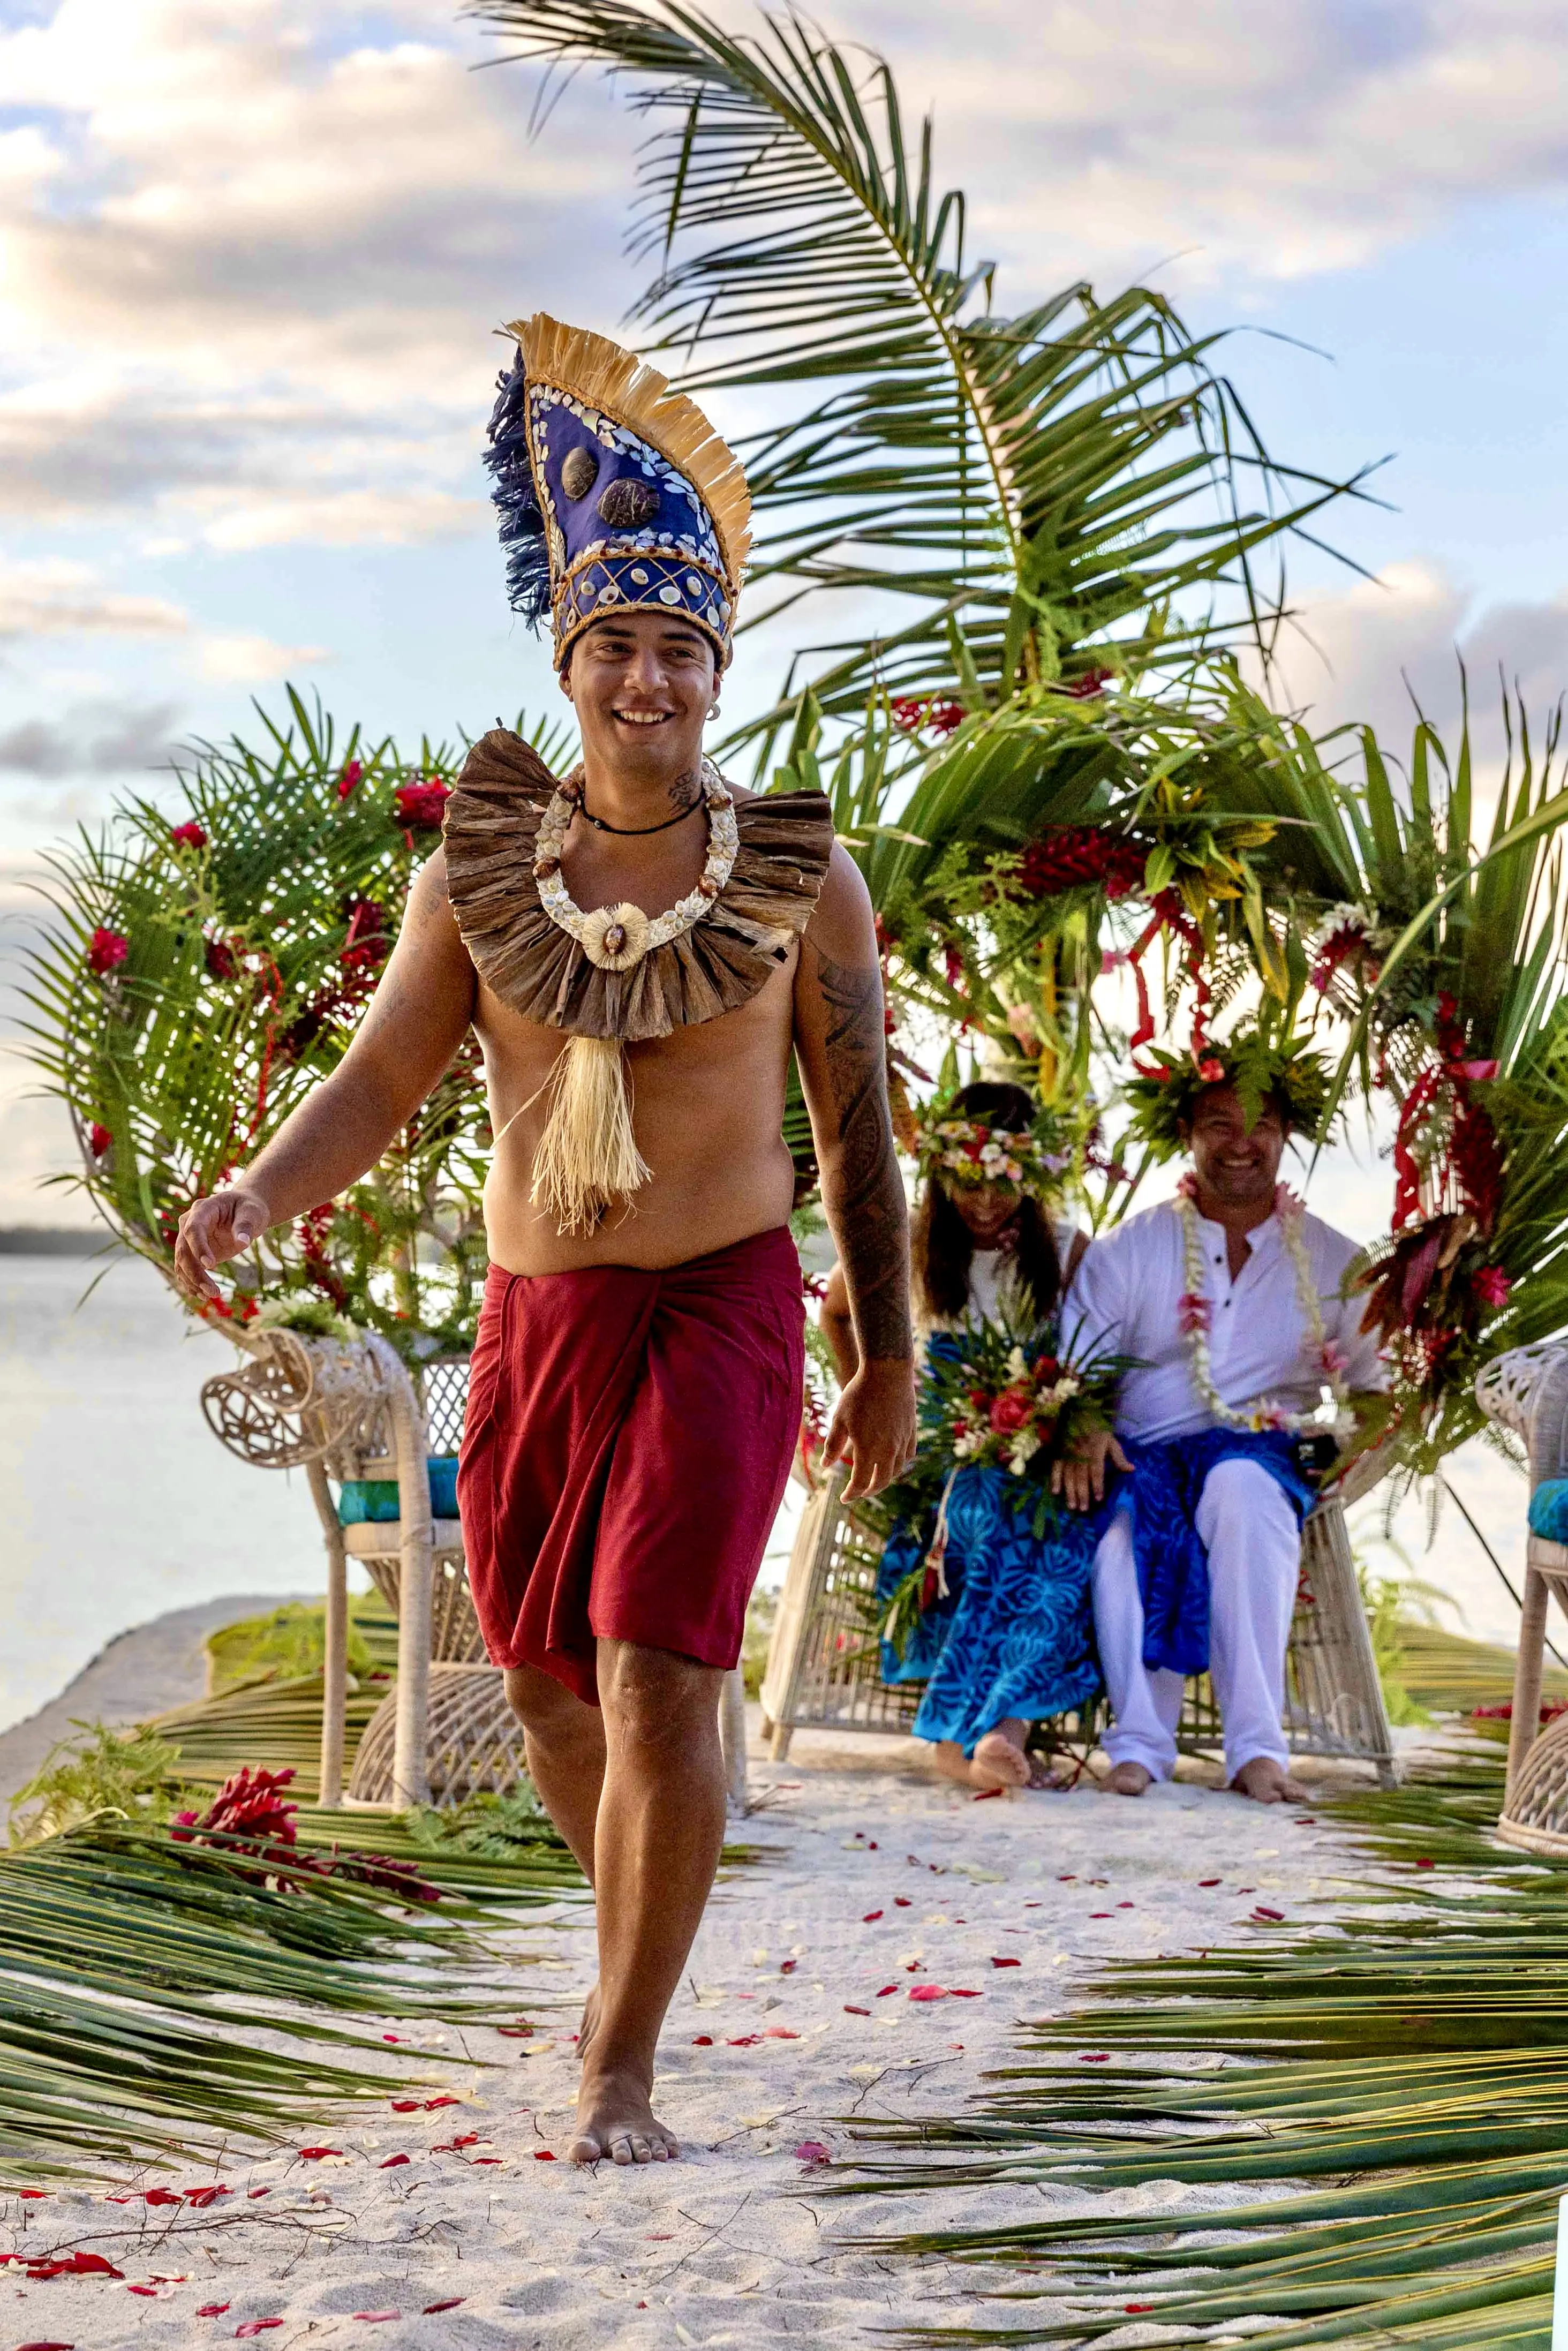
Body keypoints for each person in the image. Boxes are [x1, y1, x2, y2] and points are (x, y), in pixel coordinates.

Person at [174, 313, 916, 2166]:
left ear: (715, 669)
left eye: (678, 647)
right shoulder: (479, 875)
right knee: (543, 1680)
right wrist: (266, 1187)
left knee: (663, 1661)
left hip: (725, 1302)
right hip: (538, 1316)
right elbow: (376, 1077)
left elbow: (860, 1131)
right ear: (565, 658)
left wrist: (886, 1348)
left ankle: (620, 2063)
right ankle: (633, 1942)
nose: (644, 677)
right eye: (614, 645)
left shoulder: (800, 878)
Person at [1059, 1034, 1386, 1805]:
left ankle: (1256, 1750)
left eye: (1262, 1125)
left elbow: (1375, 1392)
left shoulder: (1336, 1260)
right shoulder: (1130, 1250)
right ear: (1186, 1133)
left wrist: (1352, 1462)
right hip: (1143, 1451)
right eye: (1219, 1123)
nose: (1242, 1145)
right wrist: (1085, 1426)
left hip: (1261, 1451)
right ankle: (1139, 1745)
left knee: (1242, 1489)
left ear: (1286, 1136)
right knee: (1122, 1521)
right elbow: (1074, 1369)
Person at [821, 1079, 1099, 1792]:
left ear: (1033, 1177)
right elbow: (834, 1310)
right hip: (936, 1460)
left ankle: (984, 1733)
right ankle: (977, 1734)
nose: (981, 1202)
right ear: (941, 1173)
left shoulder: (1066, 1251)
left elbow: (1099, 1356)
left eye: (1000, 1185)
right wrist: (870, 1397)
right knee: (978, 1504)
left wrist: (1073, 1428)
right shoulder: (907, 1244)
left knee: (1054, 1533)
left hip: (1034, 1457)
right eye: (965, 1183)